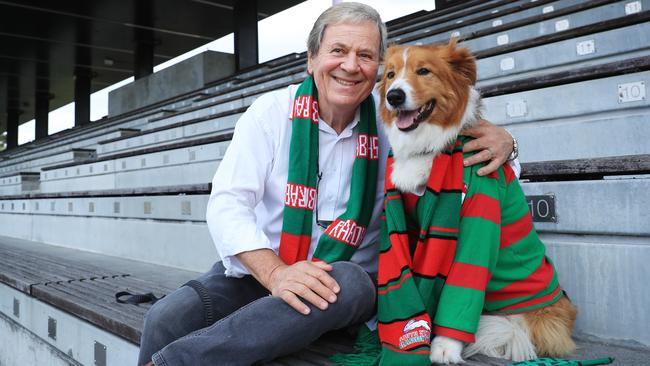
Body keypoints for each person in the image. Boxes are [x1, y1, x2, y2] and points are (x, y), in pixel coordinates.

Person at [137, 3, 515, 365]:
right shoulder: (270, 113)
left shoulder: (397, 123)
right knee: (167, 318)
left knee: (346, 281)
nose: (351, 66)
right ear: (312, 58)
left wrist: (508, 143)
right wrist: (276, 274)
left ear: (378, 67)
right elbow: (227, 204)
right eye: (338, 50)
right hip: (268, 268)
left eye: (366, 56)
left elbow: (465, 158)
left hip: (351, 282)